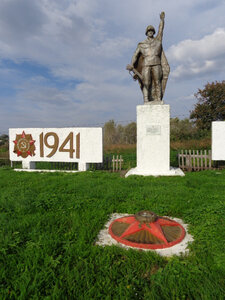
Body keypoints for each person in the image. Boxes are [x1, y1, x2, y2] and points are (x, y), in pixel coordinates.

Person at [127, 12, 170, 103]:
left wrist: (162, 20)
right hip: (146, 65)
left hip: (157, 64)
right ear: (146, 33)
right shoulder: (141, 44)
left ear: (153, 32)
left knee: (157, 82)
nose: (150, 32)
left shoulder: (158, 40)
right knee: (146, 83)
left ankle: (158, 99)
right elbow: (135, 55)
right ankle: (146, 99)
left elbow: (161, 30)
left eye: (151, 31)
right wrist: (132, 64)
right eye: (148, 31)